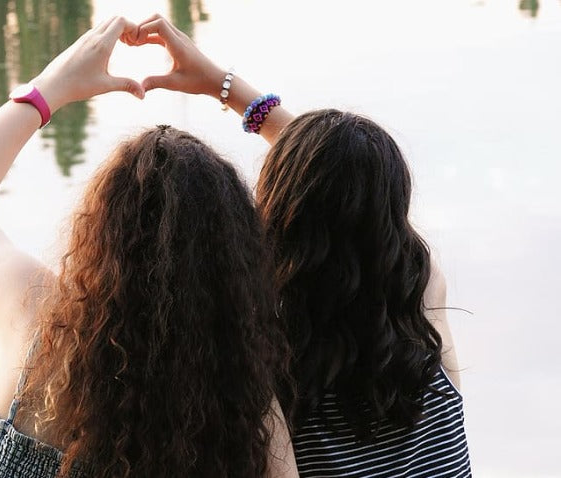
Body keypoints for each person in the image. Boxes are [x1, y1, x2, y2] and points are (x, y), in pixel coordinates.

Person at [0, 17, 298, 478]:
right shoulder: (249, 413)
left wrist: (49, 88)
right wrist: (227, 87)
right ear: (235, 267)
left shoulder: (34, 328)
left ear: (97, 236)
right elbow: (345, 195)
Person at [130, 14, 472, 477]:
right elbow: (354, 198)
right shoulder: (424, 307)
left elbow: (325, 187)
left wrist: (220, 85)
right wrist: (221, 85)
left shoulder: (265, 379)